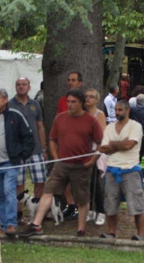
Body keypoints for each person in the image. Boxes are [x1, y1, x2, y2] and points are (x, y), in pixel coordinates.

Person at [19, 90, 103, 237]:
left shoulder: (91, 121)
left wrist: (91, 161)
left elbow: (100, 143)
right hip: (62, 164)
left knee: (82, 198)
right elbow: (52, 139)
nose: (70, 105)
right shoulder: (60, 118)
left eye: (73, 102)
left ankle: (81, 229)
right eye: (68, 101)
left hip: (81, 165)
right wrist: (56, 157)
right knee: (48, 191)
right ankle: (36, 225)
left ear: (81, 103)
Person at [0, 88, 35, 236]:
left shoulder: (15, 116)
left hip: (10, 163)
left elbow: (29, 138)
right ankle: (3, 225)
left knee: (9, 191)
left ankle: (12, 224)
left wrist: (21, 156)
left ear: (6, 100)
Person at [98, 100, 144, 240]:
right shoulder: (109, 128)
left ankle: (141, 234)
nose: (117, 112)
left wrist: (113, 145)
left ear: (127, 110)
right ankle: (111, 233)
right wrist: (119, 144)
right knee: (110, 203)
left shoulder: (135, 126)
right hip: (111, 169)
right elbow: (103, 148)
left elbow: (129, 145)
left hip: (130, 169)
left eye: (120, 110)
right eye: (116, 110)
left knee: (136, 204)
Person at [9, 77, 47, 210]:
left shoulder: (35, 104)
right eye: (18, 84)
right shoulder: (9, 105)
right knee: (19, 182)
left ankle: (38, 210)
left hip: (36, 150)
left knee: (40, 180)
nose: (21, 87)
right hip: (18, 151)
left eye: (24, 84)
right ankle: (19, 212)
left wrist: (44, 148)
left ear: (29, 87)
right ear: (15, 87)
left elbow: (40, 126)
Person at [57, 71, 84, 220]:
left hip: (80, 147)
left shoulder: (85, 100)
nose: (70, 82)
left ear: (80, 83)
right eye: (69, 80)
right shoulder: (62, 100)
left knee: (79, 179)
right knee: (64, 178)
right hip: (64, 145)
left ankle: (82, 207)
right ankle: (71, 205)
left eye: (73, 80)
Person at [84, 88, 107, 226]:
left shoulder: (100, 114)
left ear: (96, 100)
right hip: (83, 151)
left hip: (95, 150)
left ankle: (101, 211)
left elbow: (102, 134)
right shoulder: (82, 114)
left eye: (91, 96)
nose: (88, 99)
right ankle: (90, 210)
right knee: (87, 184)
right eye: (86, 96)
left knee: (96, 183)